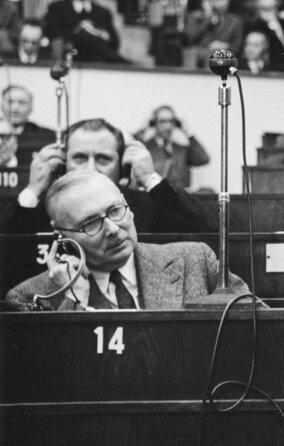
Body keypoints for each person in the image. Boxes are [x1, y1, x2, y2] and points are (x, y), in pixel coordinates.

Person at [5, 171, 248, 311]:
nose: (112, 229)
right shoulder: (30, 297)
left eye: (114, 211)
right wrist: (73, 299)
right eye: (91, 223)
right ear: (62, 233)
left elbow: (261, 329)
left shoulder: (195, 260)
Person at [3, 117, 215, 235]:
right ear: (63, 164)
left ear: (122, 166)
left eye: (103, 159)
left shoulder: (144, 206)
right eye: (79, 158)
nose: (91, 168)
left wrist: (150, 177)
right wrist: (33, 190)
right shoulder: (45, 208)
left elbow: (202, 229)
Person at [44, 0, 127, 64]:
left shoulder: (103, 12)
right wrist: (79, 30)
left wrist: (97, 32)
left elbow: (114, 43)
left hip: (98, 61)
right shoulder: (57, 8)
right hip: (70, 57)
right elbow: (53, 34)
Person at [138, 105, 210, 191]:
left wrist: (188, 132)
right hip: (154, 196)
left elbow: (203, 159)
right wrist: (143, 130)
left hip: (180, 197)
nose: (168, 126)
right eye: (162, 121)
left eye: (171, 121)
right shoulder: (145, 148)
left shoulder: (181, 149)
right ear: (154, 123)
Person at [2, 84, 54, 155]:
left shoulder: (46, 136)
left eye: (21, 103)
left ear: (31, 108)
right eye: (10, 102)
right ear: (1, 105)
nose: (15, 108)